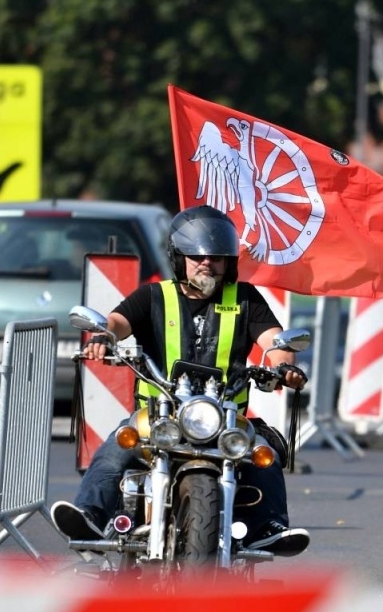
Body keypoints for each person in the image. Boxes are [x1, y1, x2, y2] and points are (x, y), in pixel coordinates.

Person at [51, 205, 310, 557]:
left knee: (264, 455)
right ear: (179, 258)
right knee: (117, 448)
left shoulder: (246, 299)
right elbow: (116, 322)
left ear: (229, 261)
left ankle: (269, 527)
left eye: (217, 257)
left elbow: (275, 343)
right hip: (159, 416)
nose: (207, 263)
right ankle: (91, 514)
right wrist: (103, 338)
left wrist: (283, 367)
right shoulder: (154, 296)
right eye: (196, 256)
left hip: (226, 420)